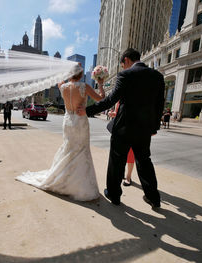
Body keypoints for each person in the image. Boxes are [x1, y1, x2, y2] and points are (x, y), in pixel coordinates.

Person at [79, 48, 165, 208]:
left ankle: (114, 195)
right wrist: (154, 128)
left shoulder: (126, 75)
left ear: (126, 60)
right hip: (144, 129)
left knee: (117, 161)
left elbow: (110, 100)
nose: (123, 68)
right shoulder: (158, 77)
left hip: (124, 127)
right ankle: (154, 198)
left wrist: (87, 111)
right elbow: (159, 105)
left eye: (123, 65)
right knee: (145, 162)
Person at [16, 64, 105, 201]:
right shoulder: (84, 87)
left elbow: (60, 81)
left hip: (68, 120)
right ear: (81, 75)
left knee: (68, 149)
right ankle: (79, 185)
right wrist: (100, 83)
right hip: (80, 121)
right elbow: (101, 98)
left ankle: (64, 179)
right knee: (81, 150)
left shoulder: (62, 87)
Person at [108, 102, 135, 187]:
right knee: (118, 154)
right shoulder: (118, 100)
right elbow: (118, 113)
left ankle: (128, 177)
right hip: (119, 130)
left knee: (130, 155)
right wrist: (112, 114)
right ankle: (121, 174)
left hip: (131, 129)